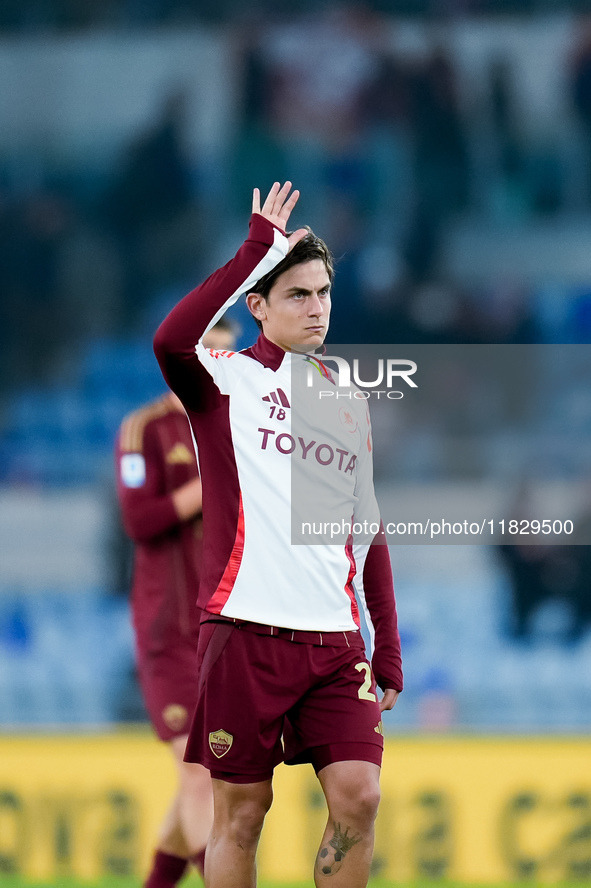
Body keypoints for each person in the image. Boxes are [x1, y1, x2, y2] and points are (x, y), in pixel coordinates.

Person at [153, 182, 403, 888]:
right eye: (297, 294)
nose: (317, 307)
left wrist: (386, 647)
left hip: (333, 642)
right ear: (256, 307)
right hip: (244, 631)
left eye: (323, 292)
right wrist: (254, 249)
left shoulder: (346, 398)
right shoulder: (222, 380)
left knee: (361, 794)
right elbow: (170, 337)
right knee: (242, 813)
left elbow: (367, 531)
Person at [115, 318, 237, 888]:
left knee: (205, 780)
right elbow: (139, 522)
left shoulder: (235, 428)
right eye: (204, 353)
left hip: (221, 626)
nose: (213, 364)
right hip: (168, 630)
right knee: (197, 778)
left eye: (224, 355)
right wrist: (206, 484)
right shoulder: (145, 430)